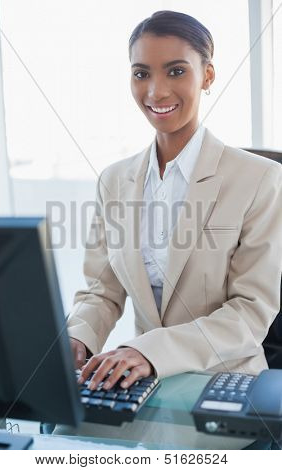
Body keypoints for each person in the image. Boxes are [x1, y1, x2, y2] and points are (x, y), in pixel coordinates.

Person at [67, 10, 282, 393]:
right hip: (138, 383)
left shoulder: (260, 178)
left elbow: (250, 311)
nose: (156, 91)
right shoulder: (114, 181)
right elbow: (102, 290)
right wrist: (76, 339)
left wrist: (148, 351)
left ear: (208, 76)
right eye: (141, 73)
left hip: (223, 381)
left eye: (176, 71)